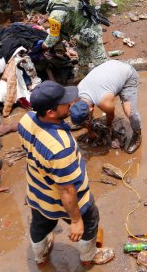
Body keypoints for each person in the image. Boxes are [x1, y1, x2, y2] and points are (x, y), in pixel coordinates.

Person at [18, 81, 115, 266]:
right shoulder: (61, 147)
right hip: (64, 201)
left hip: (37, 193)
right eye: (65, 103)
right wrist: (76, 220)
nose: (70, 104)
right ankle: (89, 256)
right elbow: (66, 190)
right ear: (51, 113)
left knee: (40, 225)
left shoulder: (26, 120)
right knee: (89, 222)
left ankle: (40, 256)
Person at [70, 59, 142, 154]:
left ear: (92, 109)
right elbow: (83, 113)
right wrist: (90, 131)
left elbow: (110, 116)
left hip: (127, 75)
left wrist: (109, 126)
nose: (89, 120)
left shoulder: (104, 103)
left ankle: (137, 135)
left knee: (130, 112)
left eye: (88, 118)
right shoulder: (76, 95)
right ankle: (81, 120)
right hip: (110, 69)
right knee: (83, 117)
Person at [41, 0, 108, 76]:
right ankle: (82, 76)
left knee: (100, 61)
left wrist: (43, 45)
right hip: (80, 31)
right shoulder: (61, 0)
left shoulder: (56, 14)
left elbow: (53, 37)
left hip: (90, 31)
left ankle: (106, 80)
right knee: (83, 58)